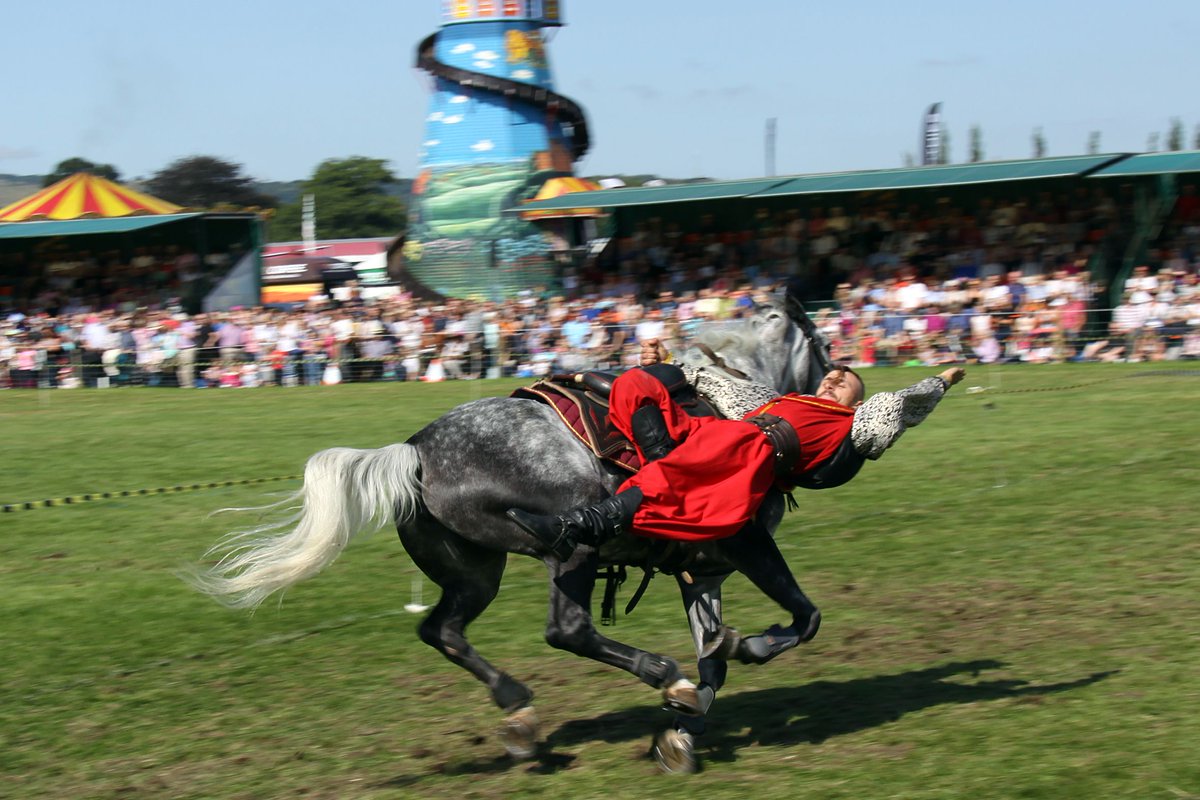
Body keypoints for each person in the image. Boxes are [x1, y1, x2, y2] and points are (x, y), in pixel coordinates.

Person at [508, 339, 965, 559]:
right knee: (634, 383)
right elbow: (715, 384)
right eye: (831, 375)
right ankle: (666, 470)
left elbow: (901, 406)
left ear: (859, 402)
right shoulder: (778, 399)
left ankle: (581, 524)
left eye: (845, 381)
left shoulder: (856, 422)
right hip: (731, 433)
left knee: (721, 440)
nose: (834, 378)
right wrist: (663, 361)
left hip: (755, 450)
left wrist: (942, 380)